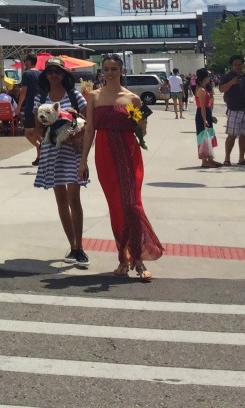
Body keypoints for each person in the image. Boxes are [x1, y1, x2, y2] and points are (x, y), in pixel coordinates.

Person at [79, 54, 164, 281]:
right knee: (116, 207)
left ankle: (138, 259)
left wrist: (140, 123)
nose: (109, 73)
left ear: (121, 71)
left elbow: (142, 129)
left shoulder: (133, 99)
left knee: (132, 204)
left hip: (129, 154)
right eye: (106, 69)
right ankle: (123, 258)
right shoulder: (94, 97)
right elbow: (89, 131)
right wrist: (83, 160)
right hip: (105, 156)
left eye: (113, 69)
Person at [33, 57, 89, 267]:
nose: (54, 75)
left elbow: (88, 124)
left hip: (73, 152)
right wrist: (47, 136)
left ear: (64, 74)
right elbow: (38, 128)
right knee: (61, 200)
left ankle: (80, 247)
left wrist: (78, 137)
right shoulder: (41, 98)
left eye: (57, 71)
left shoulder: (75, 97)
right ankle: (73, 246)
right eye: (50, 72)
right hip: (52, 152)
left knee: (74, 198)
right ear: (45, 76)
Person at [218, 54, 245, 166]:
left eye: (240, 64)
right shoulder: (227, 77)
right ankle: (227, 159)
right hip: (234, 110)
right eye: (236, 65)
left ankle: (241, 158)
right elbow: (221, 89)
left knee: (244, 135)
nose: (238, 67)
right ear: (231, 66)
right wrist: (231, 83)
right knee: (232, 134)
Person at [193, 68, 220, 168]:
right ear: (204, 77)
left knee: (209, 136)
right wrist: (205, 120)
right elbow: (202, 107)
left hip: (207, 113)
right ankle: (204, 161)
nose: (210, 77)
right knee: (203, 137)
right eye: (208, 75)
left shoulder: (205, 88)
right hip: (202, 114)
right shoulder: (201, 90)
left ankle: (211, 159)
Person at [19, 53, 43, 166]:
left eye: (25, 61)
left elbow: (23, 92)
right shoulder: (41, 73)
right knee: (37, 130)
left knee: (28, 132)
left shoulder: (27, 74)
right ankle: (40, 154)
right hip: (41, 106)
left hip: (30, 106)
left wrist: (18, 107)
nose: (24, 63)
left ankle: (40, 147)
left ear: (29, 61)